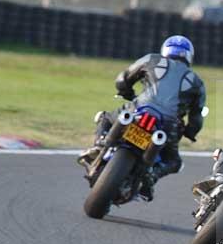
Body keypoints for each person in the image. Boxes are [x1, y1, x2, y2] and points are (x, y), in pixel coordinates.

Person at [78, 35, 206, 199]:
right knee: (174, 162)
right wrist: (191, 132)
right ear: (189, 56)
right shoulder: (197, 82)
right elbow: (196, 118)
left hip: (138, 109)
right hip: (167, 124)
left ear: (165, 50)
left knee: (104, 117)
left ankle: (99, 144)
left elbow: (122, 80)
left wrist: (126, 92)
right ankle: (151, 176)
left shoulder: (151, 59)